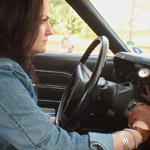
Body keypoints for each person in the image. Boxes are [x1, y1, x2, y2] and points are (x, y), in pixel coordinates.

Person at [0, 0, 149, 149]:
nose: (50, 31)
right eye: (42, 20)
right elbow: (56, 146)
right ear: (13, 21)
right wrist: (137, 134)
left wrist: (50, 122)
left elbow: (13, 117)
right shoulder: (4, 79)